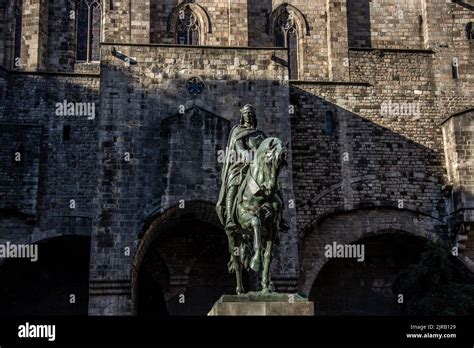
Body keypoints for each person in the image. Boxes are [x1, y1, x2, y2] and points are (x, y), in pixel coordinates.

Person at [216, 104, 267, 230]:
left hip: (259, 166)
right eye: (245, 114)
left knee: (274, 184)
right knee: (233, 182)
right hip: (240, 165)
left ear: (253, 116)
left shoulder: (260, 134)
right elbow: (240, 149)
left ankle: (279, 218)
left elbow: (268, 149)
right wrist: (248, 158)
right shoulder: (238, 131)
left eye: (250, 114)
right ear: (242, 116)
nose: (248, 116)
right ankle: (230, 218)